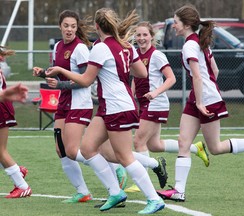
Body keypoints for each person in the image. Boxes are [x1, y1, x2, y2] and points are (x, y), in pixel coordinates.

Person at [46, 8, 165, 214]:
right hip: (109, 106)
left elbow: (85, 80)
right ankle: (115, 192)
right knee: (88, 148)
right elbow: (142, 72)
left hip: (117, 106)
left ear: (98, 27)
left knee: (124, 156)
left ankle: (154, 199)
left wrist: (61, 71)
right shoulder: (126, 46)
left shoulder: (101, 48)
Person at [156, 4, 244, 202]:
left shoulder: (191, 45)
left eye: (176, 22)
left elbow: (197, 76)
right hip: (198, 98)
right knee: (183, 142)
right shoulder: (198, 43)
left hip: (205, 100)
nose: (174, 26)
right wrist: (200, 95)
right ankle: (179, 190)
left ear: (186, 24)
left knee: (215, 147)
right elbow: (215, 71)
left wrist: (202, 99)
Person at [125, 21, 209, 193]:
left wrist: (155, 93)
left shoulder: (156, 55)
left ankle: (142, 180)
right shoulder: (135, 55)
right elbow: (136, 78)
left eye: (144, 35)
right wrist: (131, 96)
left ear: (152, 36)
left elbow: (171, 78)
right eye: (138, 35)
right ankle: (196, 148)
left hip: (156, 103)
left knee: (138, 140)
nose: (141, 38)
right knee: (154, 145)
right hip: (145, 102)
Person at [32, 10, 95, 203]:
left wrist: (60, 84)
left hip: (80, 102)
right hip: (65, 101)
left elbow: (86, 81)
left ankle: (111, 167)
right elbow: (57, 77)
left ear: (77, 28)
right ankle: (82, 191)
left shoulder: (81, 49)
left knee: (72, 149)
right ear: (60, 26)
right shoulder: (59, 46)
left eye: (73, 26)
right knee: (61, 149)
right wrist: (43, 73)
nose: (69, 29)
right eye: (66, 25)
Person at [0, 46, 31, 198]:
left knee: (1, 151)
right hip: (3, 105)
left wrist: (6, 94)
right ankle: (17, 171)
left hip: (1, 108)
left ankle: (22, 186)